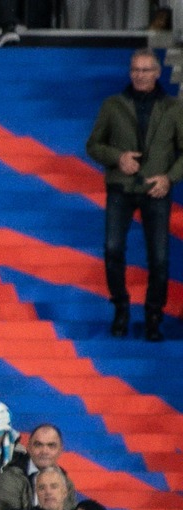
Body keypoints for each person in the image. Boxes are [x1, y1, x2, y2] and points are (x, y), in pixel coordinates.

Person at [85, 48, 178, 342]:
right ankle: (121, 307)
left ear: (157, 73)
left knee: (160, 258)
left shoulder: (174, 108)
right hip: (120, 188)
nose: (140, 75)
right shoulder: (113, 105)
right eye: (135, 70)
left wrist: (169, 177)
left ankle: (153, 314)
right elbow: (93, 145)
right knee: (113, 250)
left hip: (156, 189)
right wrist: (117, 157)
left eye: (146, 70)